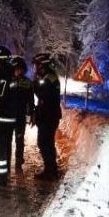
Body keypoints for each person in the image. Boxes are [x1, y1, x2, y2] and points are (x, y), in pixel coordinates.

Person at [0, 46, 24, 186]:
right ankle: (0, 174)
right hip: (9, 119)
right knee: (5, 147)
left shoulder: (2, 74)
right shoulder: (10, 74)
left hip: (2, 119)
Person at [32, 52, 63, 180]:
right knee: (47, 142)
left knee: (44, 143)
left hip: (49, 116)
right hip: (48, 115)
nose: (35, 67)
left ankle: (50, 170)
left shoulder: (49, 78)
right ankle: (51, 169)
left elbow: (43, 95)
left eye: (36, 64)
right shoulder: (49, 76)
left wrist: (34, 84)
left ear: (41, 65)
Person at [11, 56, 34, 173]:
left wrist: (32, 114)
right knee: (7, 140)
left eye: (20, 69)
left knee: (19, 140)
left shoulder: (28, 83)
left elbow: (31, 101)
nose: (18, 71)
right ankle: (6, 162)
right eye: (16, 69)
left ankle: (18, 162)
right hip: (9, 115)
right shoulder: (9, 80)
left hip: (20, 116)